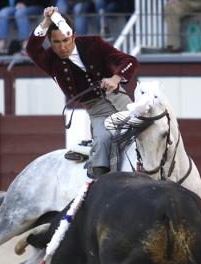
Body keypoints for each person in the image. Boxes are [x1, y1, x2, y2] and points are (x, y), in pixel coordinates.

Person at [26, 7, 138, 178]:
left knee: (152, 131)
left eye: (65, 40)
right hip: (97, 111)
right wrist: (46, 21)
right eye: (56, 42)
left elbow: (129, 61)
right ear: (50, 41)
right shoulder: (49, 59)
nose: (62, 47)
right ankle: (100, 186)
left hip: (122, 101)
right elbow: (32, 49)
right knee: (101, 141)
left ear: (73, 36)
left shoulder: (94, 43)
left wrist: (116, 78)